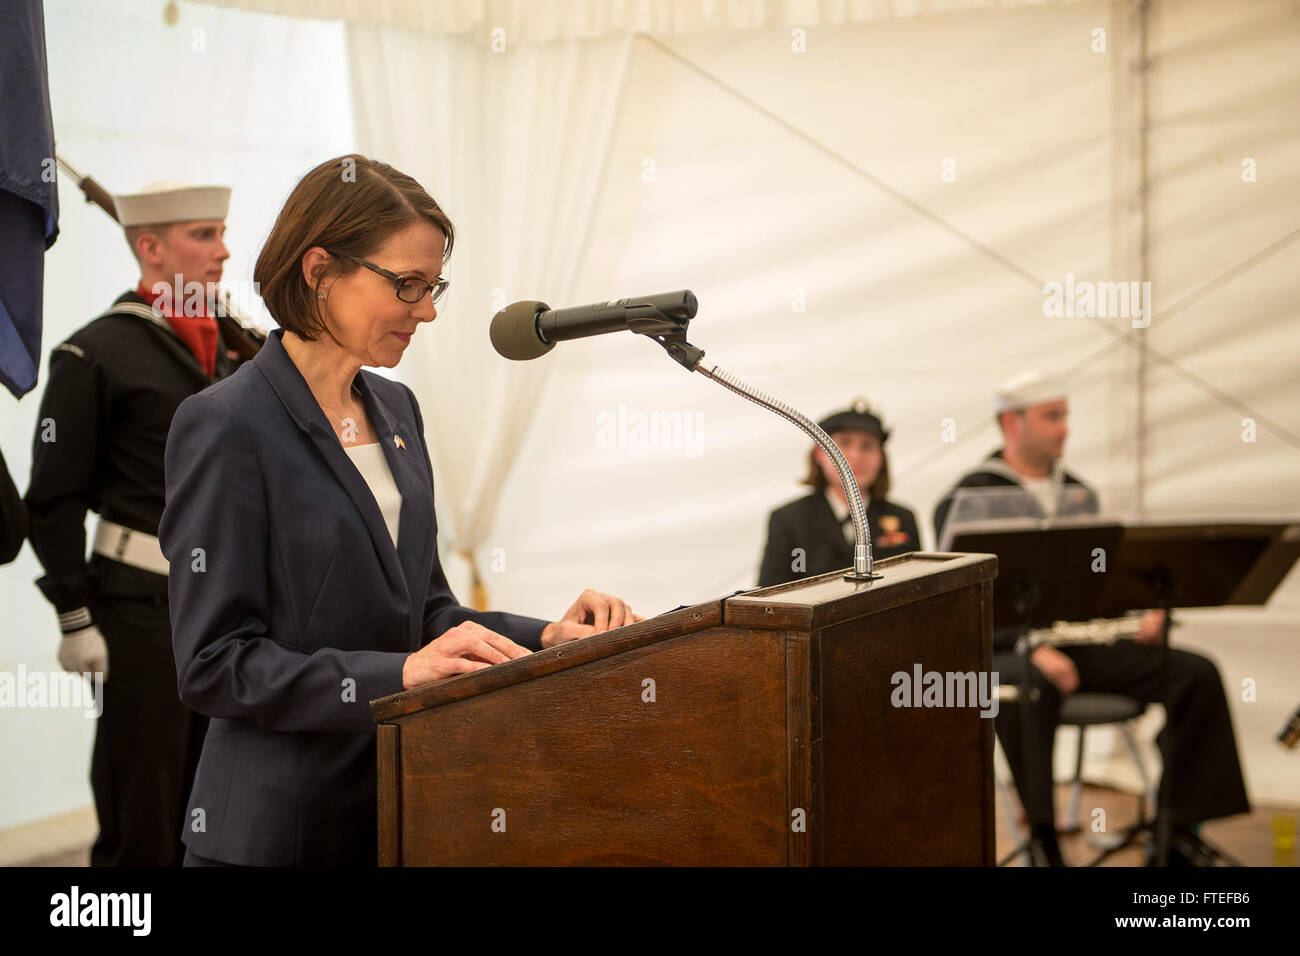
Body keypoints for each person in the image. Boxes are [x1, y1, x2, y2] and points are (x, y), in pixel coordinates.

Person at [159, 155, 641, 867]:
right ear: (319, 268)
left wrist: (547, 637)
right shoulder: (226, 423)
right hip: (275, 834)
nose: (428, 310)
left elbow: (428, 616)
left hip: (404, 813)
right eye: (407, 285)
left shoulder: (396, 409)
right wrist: (401, 676)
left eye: (433, 284)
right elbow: (214, 665)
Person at [933, 371, 1250, 865]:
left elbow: (1095, 587)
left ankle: (1176, 829)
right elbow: (968, 596)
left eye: (1065, 416)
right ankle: (1044, 842)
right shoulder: (969, 498)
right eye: (1052, 416)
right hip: (1003, 650)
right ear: (1011, 423)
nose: (1064, 429)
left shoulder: (1078, 493)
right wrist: (1032, 646)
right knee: (1029, 687)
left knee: (1194, 672)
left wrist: (1136, 617)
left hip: (1079, 647)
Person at [25, 180, 241, 866]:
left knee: (218, 798)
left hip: (226, 608)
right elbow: (52, 498)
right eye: (202, 235)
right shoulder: (95, 355)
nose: (224, 250)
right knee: (143, 807)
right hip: (141, 610)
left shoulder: (235, 350)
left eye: (221, 232)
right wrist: (74, 616)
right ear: (149, 247)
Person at [759, 399, 920, 587]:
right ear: (820, 453)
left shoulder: (902, 518)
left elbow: (918, 590)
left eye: (867, 446)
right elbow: (769, 601)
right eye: (844, 443)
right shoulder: (790, 521)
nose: (856, 456)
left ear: (881, 457)